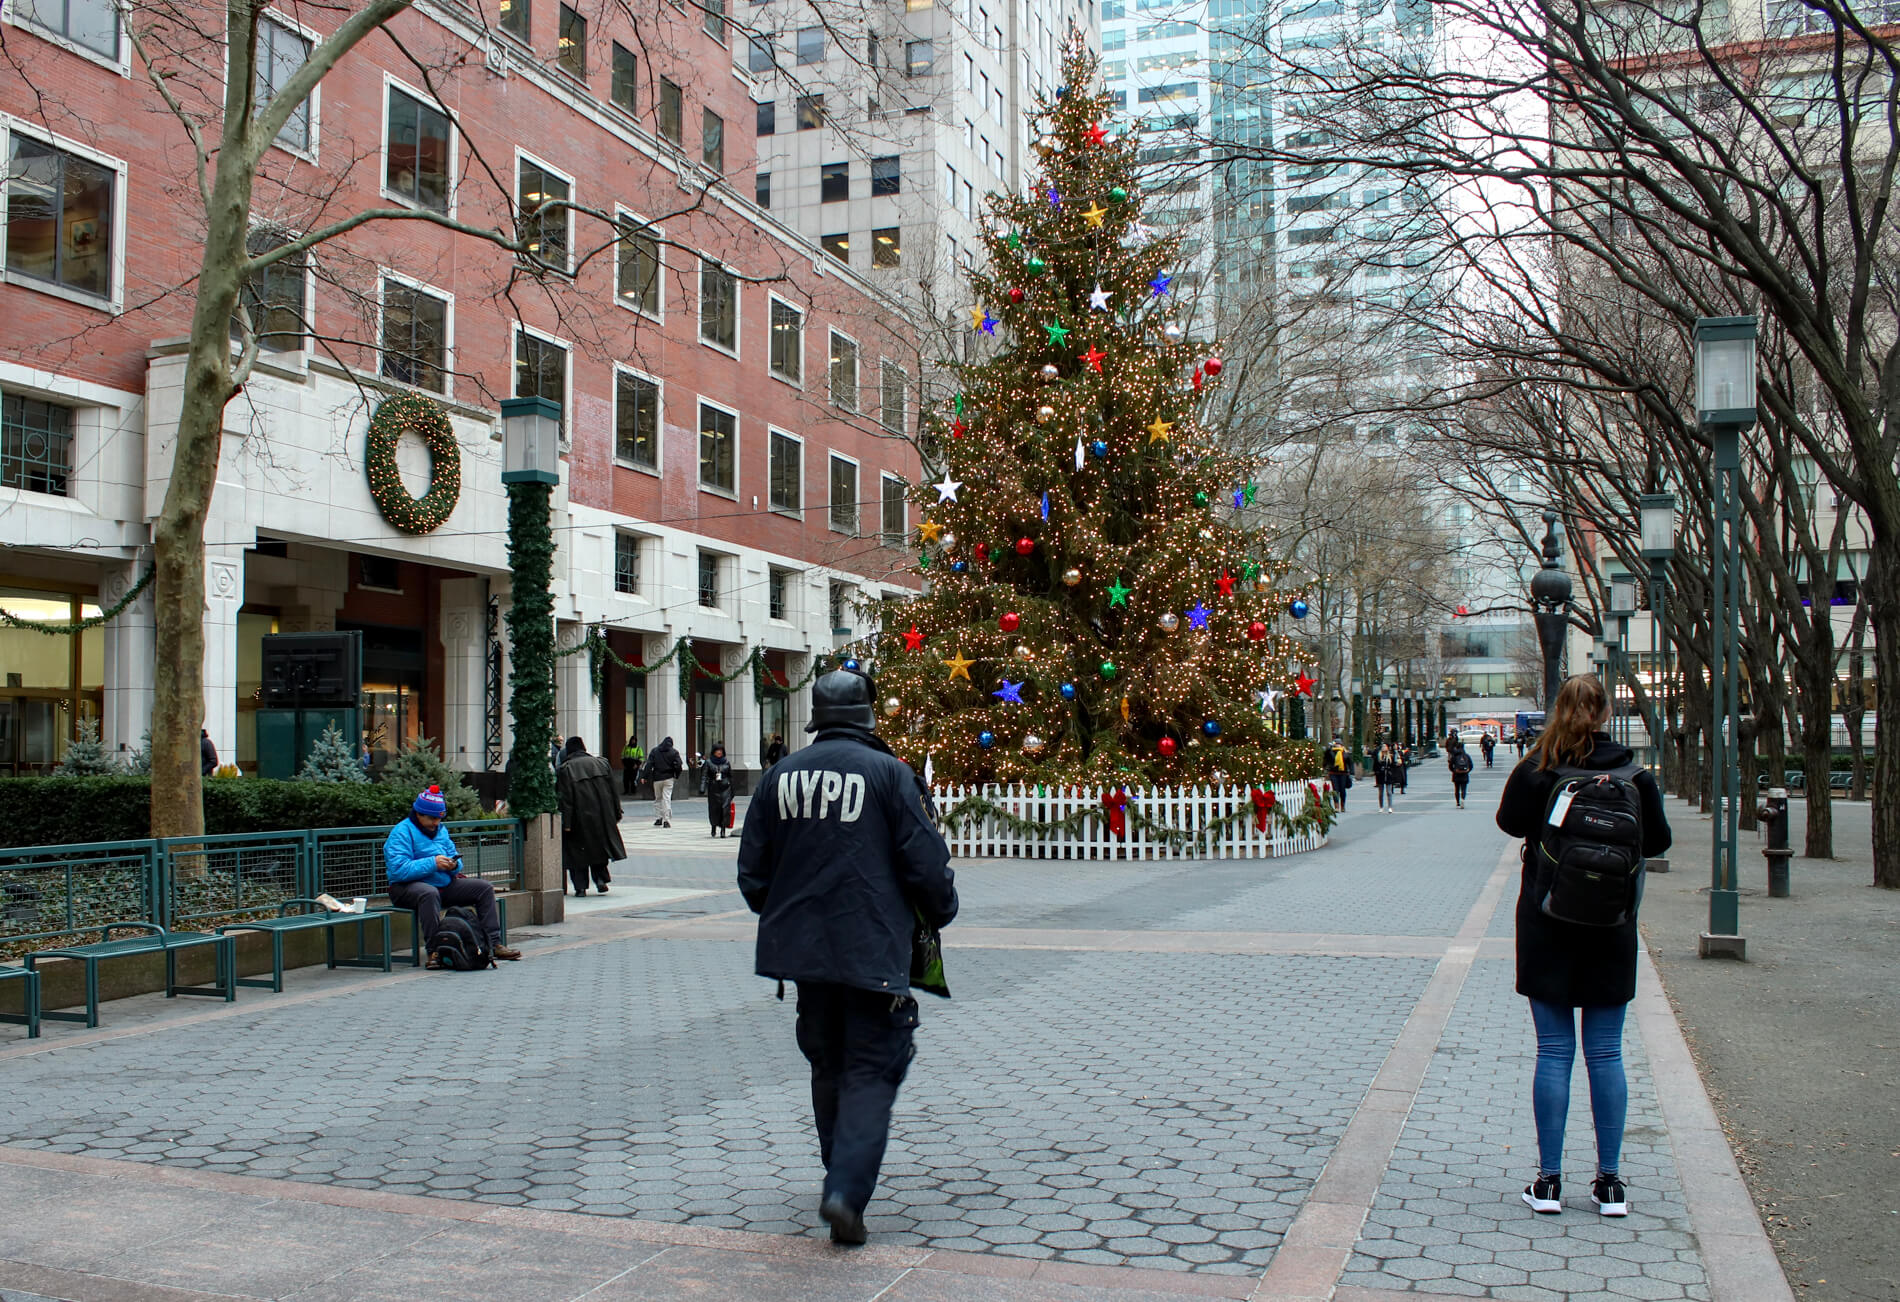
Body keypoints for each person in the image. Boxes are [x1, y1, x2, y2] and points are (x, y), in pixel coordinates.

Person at [736, 668, 958, 1246]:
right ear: (868, 715)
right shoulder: (890, 774)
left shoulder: (778, 776)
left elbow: (753, 875)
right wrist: (941, 908)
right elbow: (925, 865)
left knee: (827, 1062)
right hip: (871, 950)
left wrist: (787, 913)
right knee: (872, 1067)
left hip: (804, 956)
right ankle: (846, 1192)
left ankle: (838, 1172)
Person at [1496, 674, 1670, 1219]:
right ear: (1605, 713)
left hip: (1547, 919)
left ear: (1558, 711)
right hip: (1611, 926)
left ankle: (1548, 1182)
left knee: (1553, 1051)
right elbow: (1659, 840)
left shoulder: (1538, 768)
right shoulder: (1634, 774)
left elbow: (1508, 823)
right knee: (1607, 1052)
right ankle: (1610, 1184)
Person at [384, 785, 522, 966]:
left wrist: (454, 865)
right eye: (432, 818)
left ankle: (493, 943)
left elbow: (453, 855)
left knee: (484, 888)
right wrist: (433, 863)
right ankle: (434, 951)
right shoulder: (402, 832)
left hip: (443, 884)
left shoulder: (441, 830)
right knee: (429, 893)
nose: (436, 823)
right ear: (419, 814)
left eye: (439, 818)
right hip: (406, 888)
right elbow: (398, 869)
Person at [557, 736, 625, 896]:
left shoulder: (566, 769)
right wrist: (616, 812)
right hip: (602, 816)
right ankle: (601, 880)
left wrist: (566, 824)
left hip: (578, 819)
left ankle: (580, 888)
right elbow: (613, 791)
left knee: (577, 853)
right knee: (599, 849)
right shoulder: (602, 763)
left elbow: (566, 799)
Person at [642, 735, 684, 827]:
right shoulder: (674, 752)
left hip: (657, 778)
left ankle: (658, 818)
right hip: (668, 778)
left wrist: (644, 776)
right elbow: (679, 765)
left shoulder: (655, 751)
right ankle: (666, 820)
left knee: (658, 798)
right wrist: (676, 775)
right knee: (666, 799)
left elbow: (649, 764)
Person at [701, 742, 735, 837]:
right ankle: (713, 827)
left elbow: (730, 776)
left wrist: (732, 789)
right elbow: (704, 776)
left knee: (725, 809)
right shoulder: (709, 762)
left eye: (721, 751)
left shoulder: (726, 762)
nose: (719, 752)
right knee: (714, 809)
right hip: (713, 789)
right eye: (717, 751)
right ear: (714, 752)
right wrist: (702, 787)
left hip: (725, 788)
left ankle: (723, 829)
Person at [1325, 739, 1351, 811]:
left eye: (1338, 744)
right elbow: (1326, 755)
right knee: (1335, 789)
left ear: (1342, 745)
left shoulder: (1345, 753)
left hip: (1343, 773)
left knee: (1342, 790)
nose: (1337, 745)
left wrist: (1350, 772)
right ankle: (1336, 806)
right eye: (1336, 744)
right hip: (1333, 773)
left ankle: (1343, 805)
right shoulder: (1331, 752)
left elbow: (1349, 763)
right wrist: (1330, 747)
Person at [1447, 735, 1473, 808]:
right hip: (1464, 774)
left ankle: (1457, 803)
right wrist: (1467, 771)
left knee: (1457, 789)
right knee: (1464, 788)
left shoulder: (1454, 756)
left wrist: (1454, 771)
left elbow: (1450, 765)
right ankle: (1463, 799)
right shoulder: (1466, 756)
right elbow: (1471, 765)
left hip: (1456, 774)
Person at [1373, 742, 1398, 812]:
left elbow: (1393, 766)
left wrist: (1391, 772)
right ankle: (1381, 807)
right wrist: (1377, 772)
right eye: (1383, 746)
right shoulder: (1378, 756)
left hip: (1388, 775)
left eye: (1385, 746)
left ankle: (1390, 807)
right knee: (1381, 793)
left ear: (1387, 748)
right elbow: (1375, 766)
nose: (1384, 748)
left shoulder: (1390, 756)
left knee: (1389, 792)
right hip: (1380, 776)